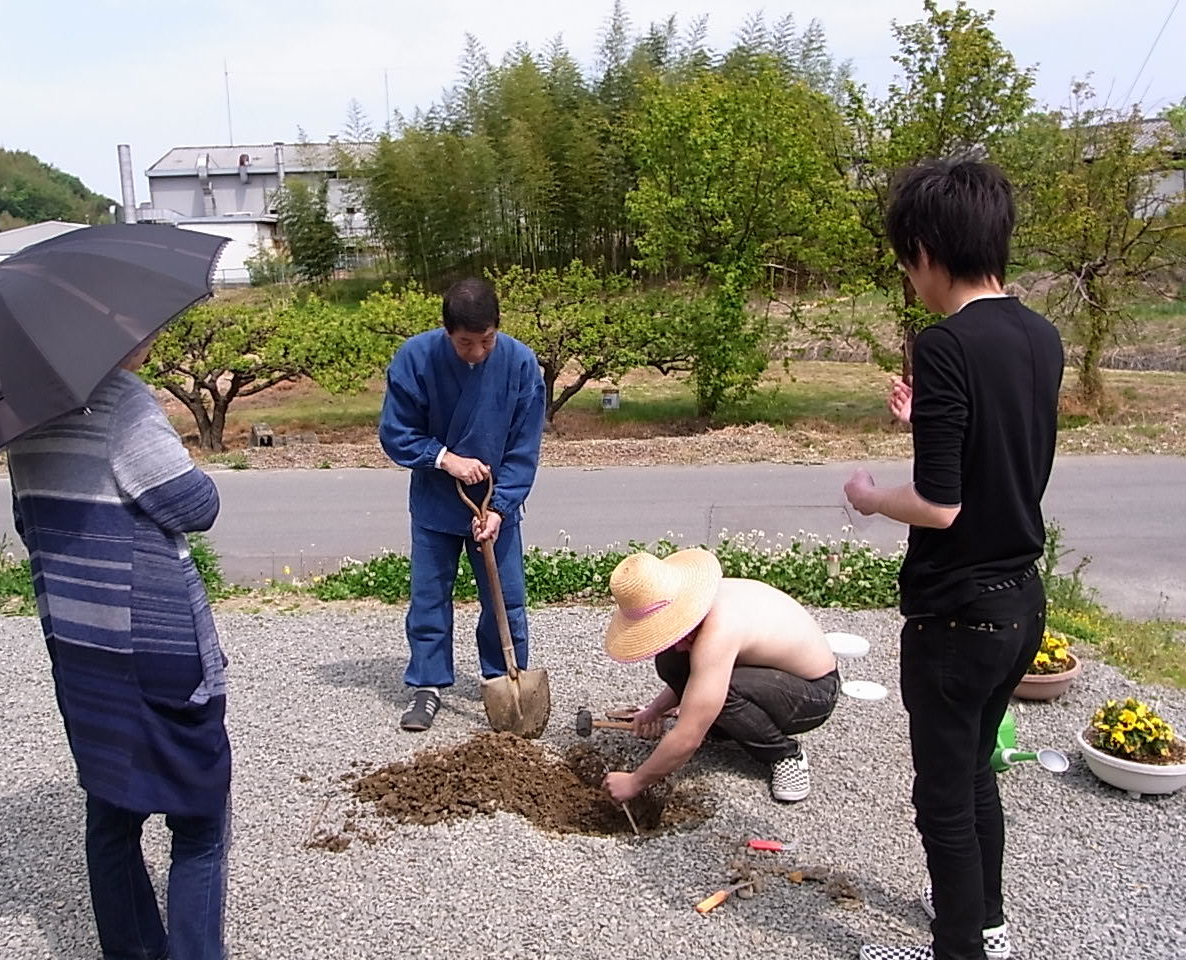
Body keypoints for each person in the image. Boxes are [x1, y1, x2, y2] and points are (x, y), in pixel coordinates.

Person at [844, 160, 1063, 960]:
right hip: (1019, 601)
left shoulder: (944, 346)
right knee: (976, 773)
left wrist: (870, 495)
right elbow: (996, 455)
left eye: (909, 261)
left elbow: (940, 505)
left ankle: (957, 949)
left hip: (957, 615)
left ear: (929, 248)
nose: (912, 279)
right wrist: (923, 425)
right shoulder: (1041, 335)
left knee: (943, 797)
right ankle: (985, 924)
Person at [7, 335, 231, 960]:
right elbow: (195, 504)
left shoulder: (26, 415)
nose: (152, 338)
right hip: (153, 647)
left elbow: (31, 523)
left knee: (112, 807)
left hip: (81, 647)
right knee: (201, 816)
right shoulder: (122, 402)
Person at [379, 278, 546, 732]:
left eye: (485, 340)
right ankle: (428, 685)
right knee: (429, 596)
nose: (476, 352)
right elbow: (396, 434)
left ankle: (503, 680)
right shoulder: (415, 358)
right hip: (436, 503)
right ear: (446, 331)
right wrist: (446, 459)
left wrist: (500, 507)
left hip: (495, 505)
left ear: (498, 328)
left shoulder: (520, 363)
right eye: (465, 343)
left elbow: (523, 446)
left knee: (505, 599)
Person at [600, 548, 839, 805]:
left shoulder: (720, 629)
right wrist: (654, 711)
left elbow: (688, 737)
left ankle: (785, 755)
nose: (677, 643)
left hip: (814, 692)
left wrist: (634, 781)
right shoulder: (702, 600)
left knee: (723, 693)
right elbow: (700, 671)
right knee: (671, 659)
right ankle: (721, 722)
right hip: (769, 673)